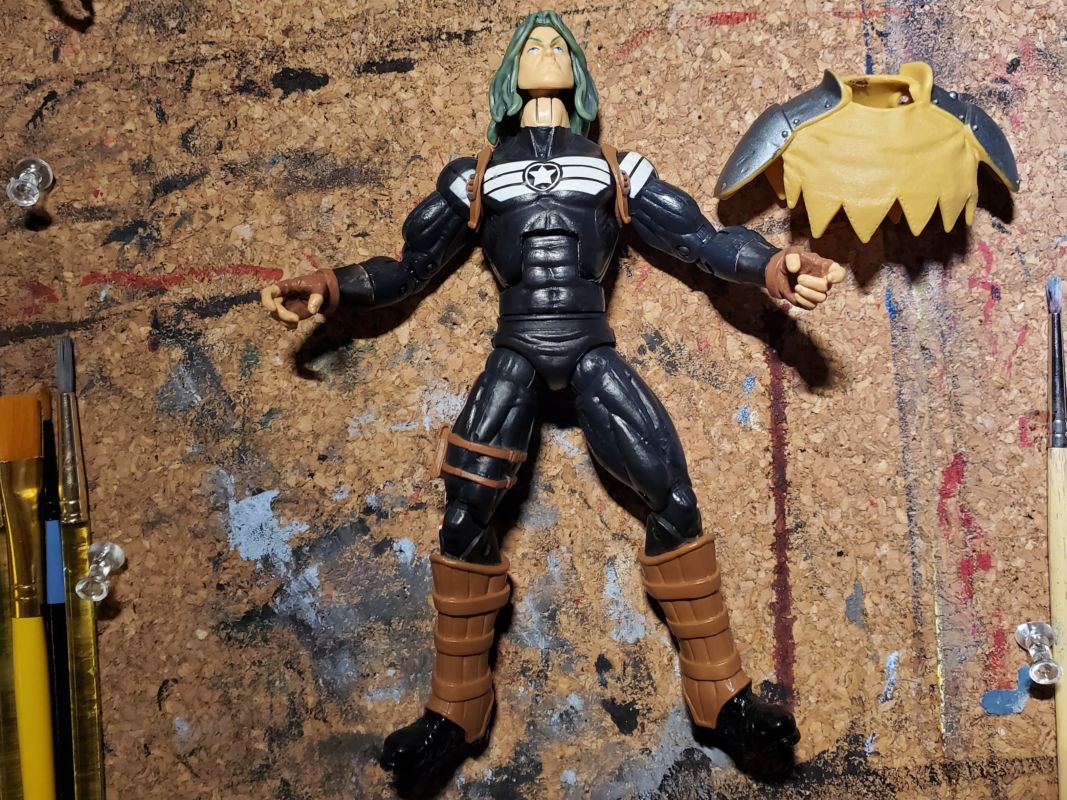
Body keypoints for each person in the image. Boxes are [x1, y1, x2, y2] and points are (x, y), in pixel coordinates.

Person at [261, 9, 845, 784]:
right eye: (530, 45)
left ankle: (722, 698)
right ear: (509, 74)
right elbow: (408, 267)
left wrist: (769, 265)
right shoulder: (475, 175)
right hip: (516, 349)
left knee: (672, 496)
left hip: (589, 344)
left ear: (578, 72)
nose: (545, 49)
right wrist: (334, 286)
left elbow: (699, 241)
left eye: (557, 44)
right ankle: (453, 711)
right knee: (464, 514)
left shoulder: (613, 169)